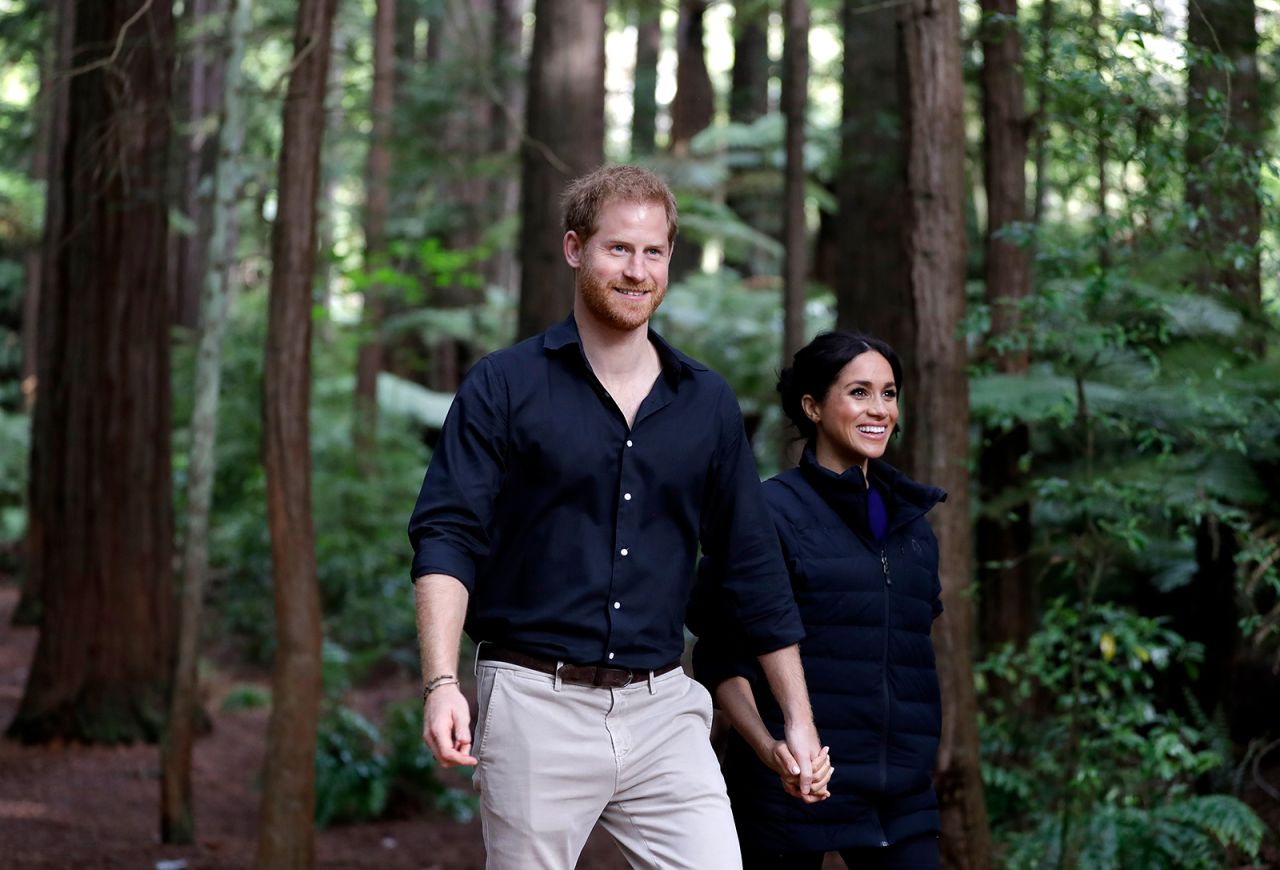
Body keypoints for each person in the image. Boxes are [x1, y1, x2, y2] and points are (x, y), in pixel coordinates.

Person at [407, 164, 827, 870]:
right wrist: (442, 682)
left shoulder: (706, 403)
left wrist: (801, 721)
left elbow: (751, 567)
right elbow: (447, 535)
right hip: (534, 700)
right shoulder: (504, 385)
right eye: (618, 249)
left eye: (654, 251)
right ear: (576, 249)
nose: (637, 270)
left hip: (665, 707)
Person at [692, 331, 945, 870]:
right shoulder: (766, 514)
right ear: (812, 406)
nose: (879, 409)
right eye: (859, 392)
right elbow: (720, 658)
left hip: (900, 795)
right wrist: (768, 749)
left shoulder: (913, 526)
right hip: (785, 789)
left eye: (889, 392)